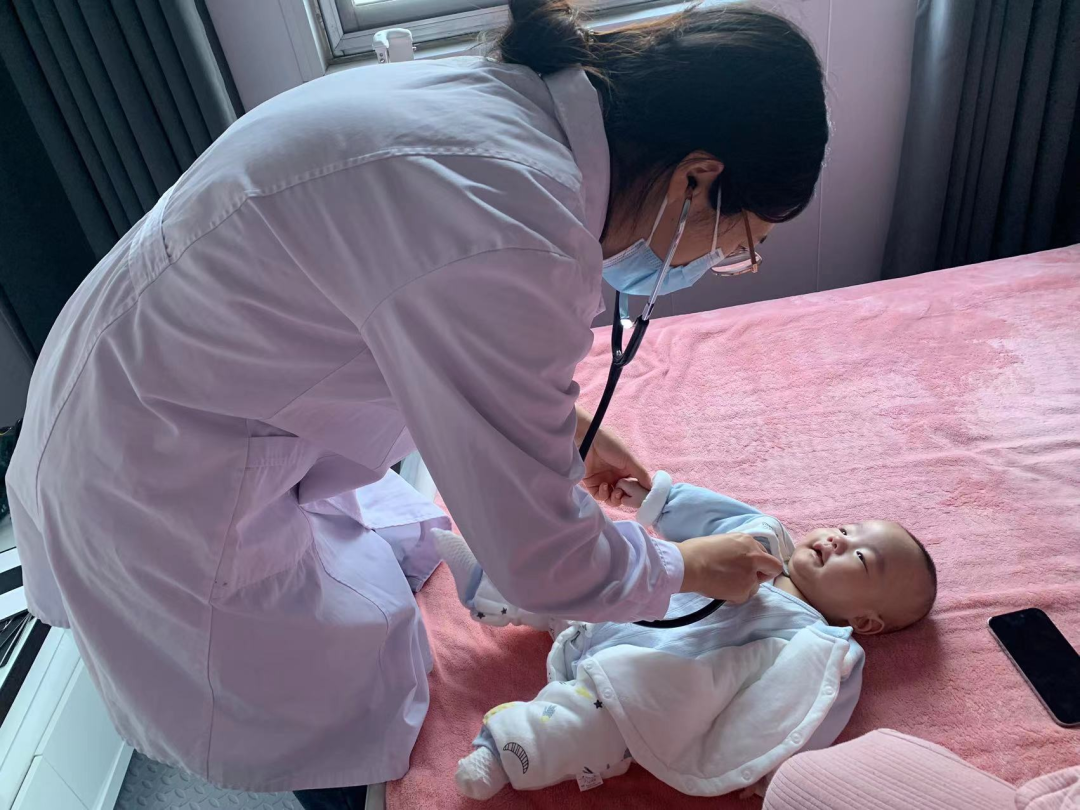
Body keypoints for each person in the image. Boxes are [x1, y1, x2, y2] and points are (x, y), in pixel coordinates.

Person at [5, 0, 828, 806]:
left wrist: (563, 430)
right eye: (742, 242)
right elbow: (542, 561)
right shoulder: (517, 229)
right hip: (156, 469)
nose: (725, 260)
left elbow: (427, 310)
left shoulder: (500, 109)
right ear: (697, 178)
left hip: (145, 381)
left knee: (392, 567)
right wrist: (688, 567)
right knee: (327, 715)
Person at [436, 472, 937, 799]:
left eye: (860, 557)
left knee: (593, 724)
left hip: (642, 686)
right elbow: (713, 516)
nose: (836, 539)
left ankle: (502, 752)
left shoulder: (823, 644)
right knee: (576, 575)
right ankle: (492, 585)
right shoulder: (766, 538)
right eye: (846, 528)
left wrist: (774, 769)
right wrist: (656, 500)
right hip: (620, 608)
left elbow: (802, 709)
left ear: (867, 621)